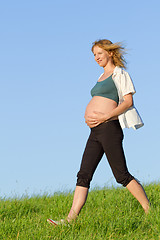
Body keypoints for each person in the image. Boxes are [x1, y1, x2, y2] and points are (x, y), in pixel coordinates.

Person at [47, 39, 150, 226]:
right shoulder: (101, 76)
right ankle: (70, 220)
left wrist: (105, 116)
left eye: (99, 54)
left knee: (121, 175)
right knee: (83, 174)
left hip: (110, 128)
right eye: (94, 55)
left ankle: (149, 210)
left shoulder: (119, 74)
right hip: (95, 131)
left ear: (110, 53)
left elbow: (128, 102)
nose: (96, 58)